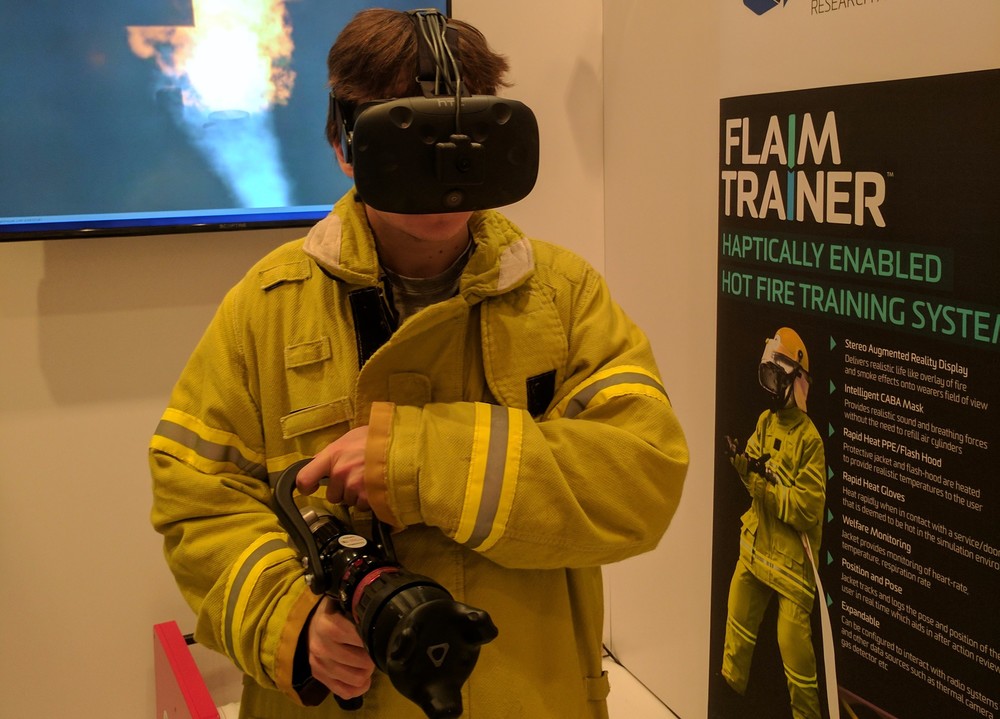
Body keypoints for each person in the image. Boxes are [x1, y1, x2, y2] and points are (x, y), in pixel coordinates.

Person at [150, 8, 688, 718]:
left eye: (464, 135)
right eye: (407, 134)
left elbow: (642, 476)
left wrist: (419, 459)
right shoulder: (267, 308)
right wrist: (289, 622)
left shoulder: (564, 297)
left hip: (528, 695)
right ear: (343, 141)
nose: (442, 167)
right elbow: (196, 497)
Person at [721, 327, 827, 719]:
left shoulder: (811, 440)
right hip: (756, 550)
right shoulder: (765, 422)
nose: (770, 387)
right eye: (766, 378)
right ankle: (728, 695)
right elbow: (753, 470)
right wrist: (744, 466)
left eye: (775, 378)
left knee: (795, 654)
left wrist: (765, 489)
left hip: (791, 567)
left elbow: (807, 508)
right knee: (737, 622)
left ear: (794, 382)